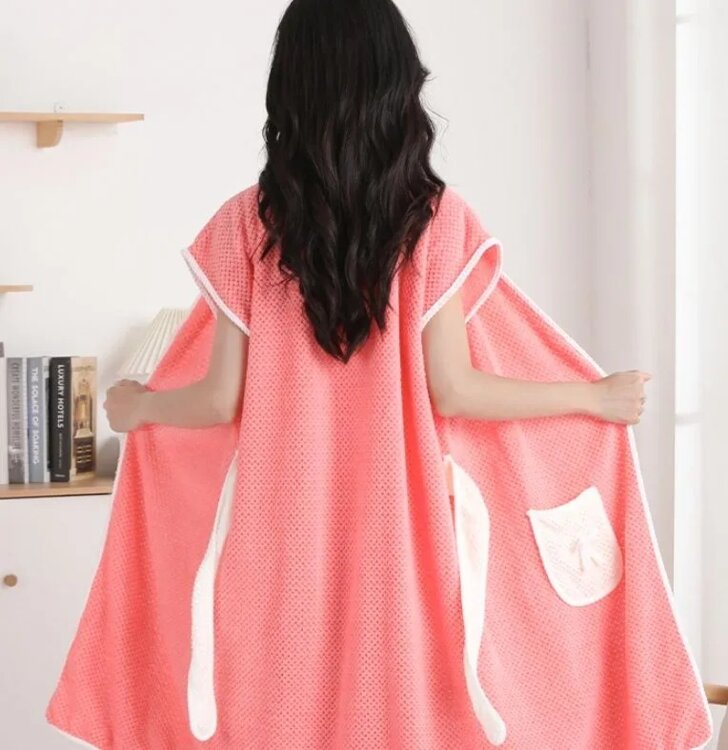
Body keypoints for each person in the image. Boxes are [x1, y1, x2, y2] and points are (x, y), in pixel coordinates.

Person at [52, 2, 714, 749]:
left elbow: (216, 400)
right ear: (398, 83)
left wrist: (139, 406)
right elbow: (456, 390)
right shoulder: (435, 220)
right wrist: (590, 397)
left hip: (278, 541)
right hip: (403, 539)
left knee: (277, 719)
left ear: (290, 87)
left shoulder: (246, 223)